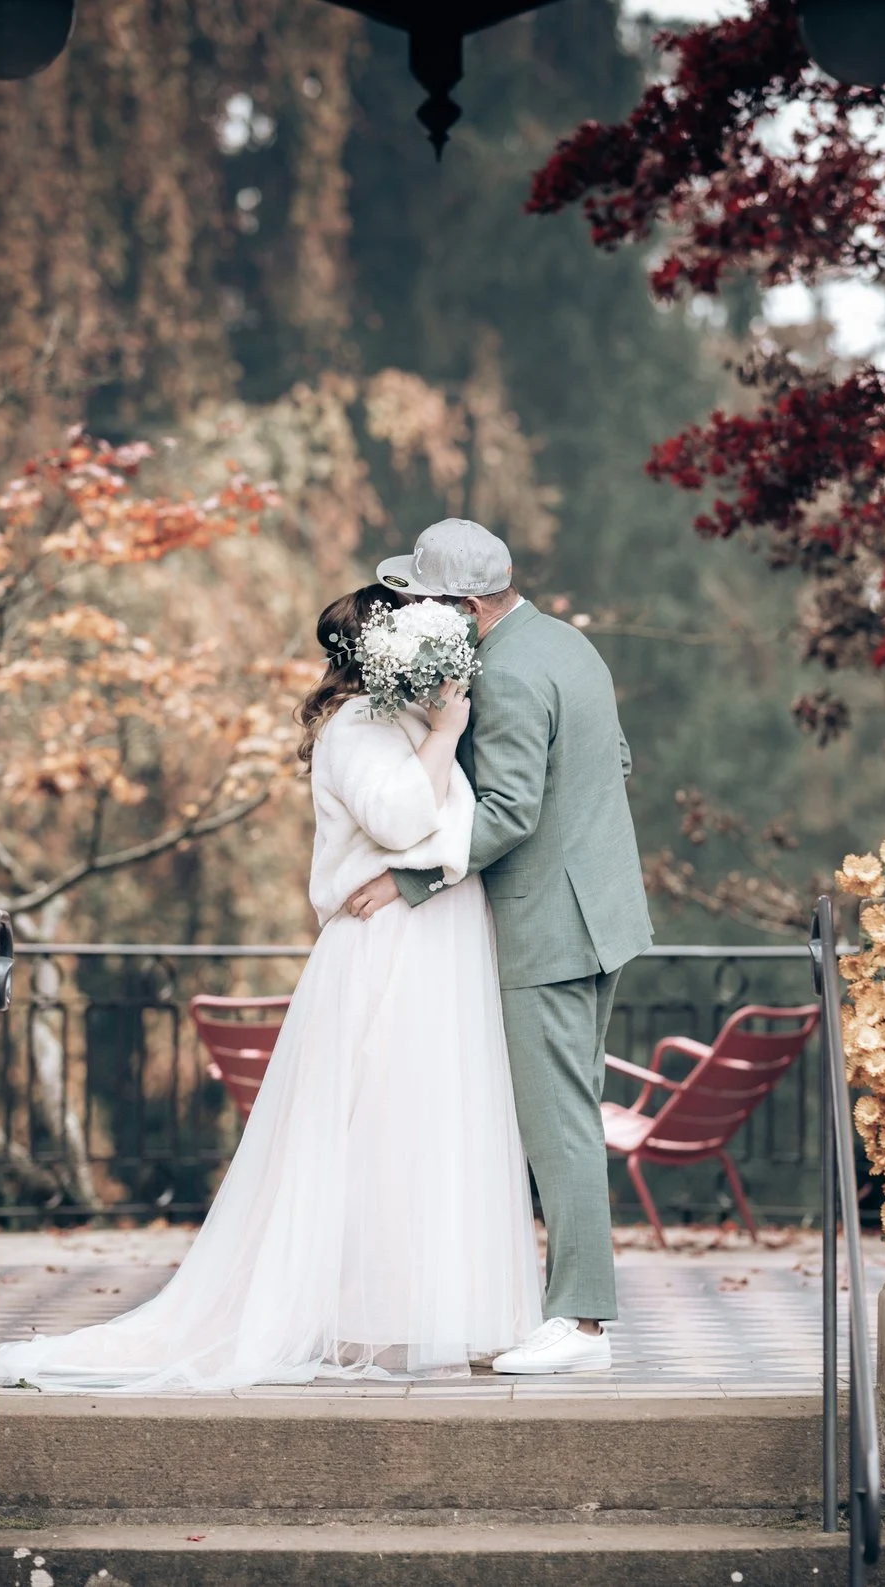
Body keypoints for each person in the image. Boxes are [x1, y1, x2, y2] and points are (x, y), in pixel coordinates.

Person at [0, 582, 539, 1390]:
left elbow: (450, 837)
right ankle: (365, 1314)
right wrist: (446, 731)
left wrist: (431, 831)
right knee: (381, 1127)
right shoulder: (359, 727)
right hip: (390, 956)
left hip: (429, 942)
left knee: (423, 1126)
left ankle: (422, 1309)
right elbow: (408, 822)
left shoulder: (400, 723)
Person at [348, 518, 652, 1375]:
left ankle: (582, 1321)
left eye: (424, 600)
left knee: (556, 1123)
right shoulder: (565, 644)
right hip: (600, 910)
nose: (413, 614)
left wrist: (411, 879)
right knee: (568, 1114)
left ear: (468, 606)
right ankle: (575, 1311)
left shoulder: (510, 672)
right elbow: (615, 759)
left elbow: (512, 811)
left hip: (549, 923)